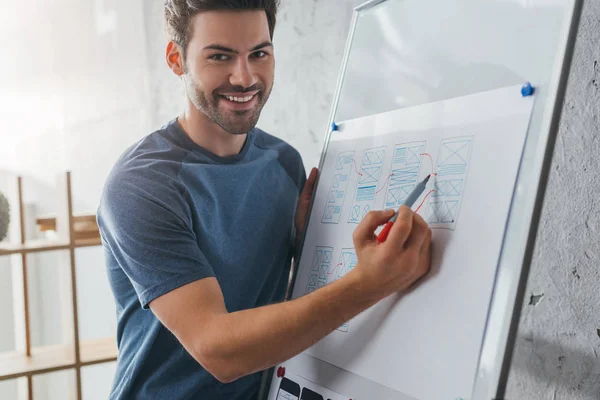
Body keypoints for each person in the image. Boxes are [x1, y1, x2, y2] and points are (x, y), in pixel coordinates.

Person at [97, 1, 432, 399]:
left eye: (259, 53)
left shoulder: (284, 163)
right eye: (219, 56)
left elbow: (281, 300)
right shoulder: (142, 185)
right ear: (176, 59)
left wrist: (315, 250)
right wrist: (367, 284)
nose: (244, 77)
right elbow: (218, 349)